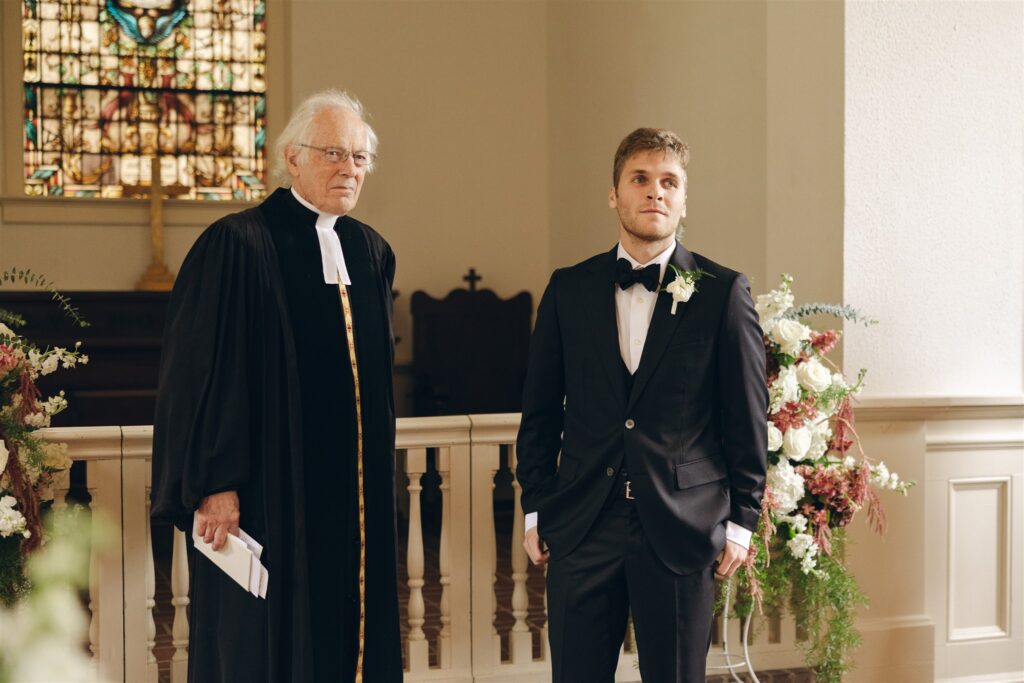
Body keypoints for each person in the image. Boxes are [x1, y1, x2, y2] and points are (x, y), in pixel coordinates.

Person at [151, 89, 403, 683]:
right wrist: (215, 481)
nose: (350, 168)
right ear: (292, 158)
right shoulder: (237, 245)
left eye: (361, 158)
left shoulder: (370, 253)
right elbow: (198, 374)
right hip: (265, 495)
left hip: (353, 502)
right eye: (334, 153)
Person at [516, 128, 768, 683]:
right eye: (641, 179)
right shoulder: (568, 289)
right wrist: (535, 502)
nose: (656, 192)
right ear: (614, 194)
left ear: (683, 200)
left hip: (681, 526)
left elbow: (746, 418)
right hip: (583, 524)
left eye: (669, 182)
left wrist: (742, 520)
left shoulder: (723, 292)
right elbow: (539, 411)